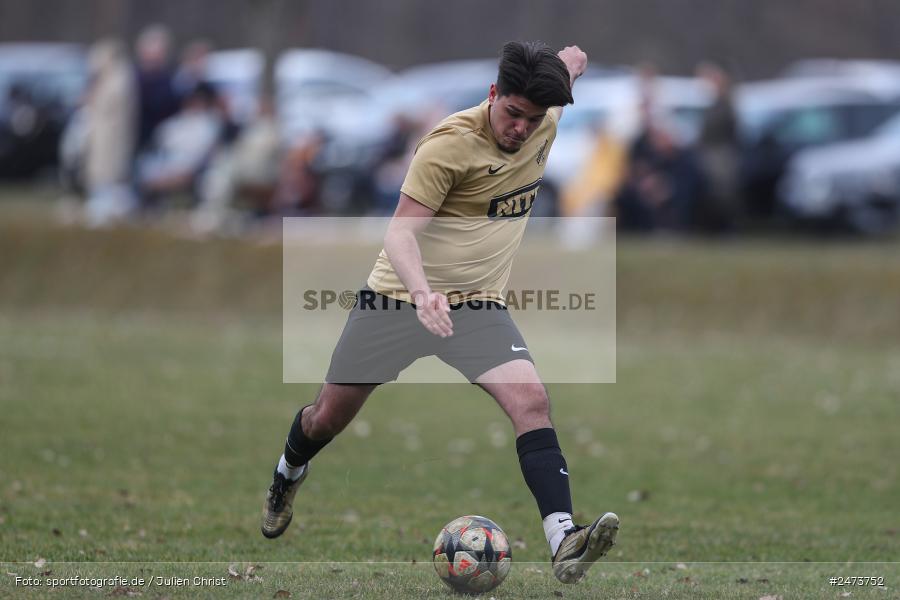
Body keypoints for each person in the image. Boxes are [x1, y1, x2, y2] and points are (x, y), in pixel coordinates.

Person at [261, 42, 619, 585]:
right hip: (398, 300)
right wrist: (424, 292)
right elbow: (400, 234)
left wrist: (572, 62)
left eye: (534, 119)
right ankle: (288, 473)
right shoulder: (448, 146)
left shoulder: (545, 114)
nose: (522, 128)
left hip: (475, 305)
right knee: (326, 418)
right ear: (493, 94)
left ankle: (563, 540)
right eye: (513, 114)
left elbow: (570, 66)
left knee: (532, 401)